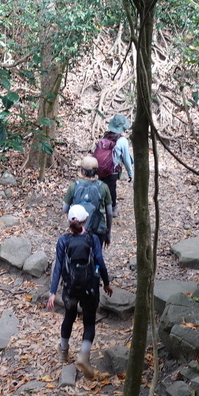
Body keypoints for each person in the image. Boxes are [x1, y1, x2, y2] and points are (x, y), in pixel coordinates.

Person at [47, 205, 112, 378]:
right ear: (85, 221)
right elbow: (100, 262)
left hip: (70, 288)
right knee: (89, 321)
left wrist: (53, 292)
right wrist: (106, 283)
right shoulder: (92, 239)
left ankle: (63, 352)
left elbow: (59, 266)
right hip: (90, 287)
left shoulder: (63, 240)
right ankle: (83, 354)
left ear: (69, 221)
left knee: (69, 316)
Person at [62, 155, 114, 249]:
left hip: (78, 229)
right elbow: (109, 213)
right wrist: (108, 233)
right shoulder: (104, 187)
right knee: (96, 256)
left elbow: (65, 209)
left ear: (83, 171)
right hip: (98, 229)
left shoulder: (74, 186)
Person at [93, 114, 134, 210]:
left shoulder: (105, 136)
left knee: (102, 186)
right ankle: (112, 208)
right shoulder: (122, 140)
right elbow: (126, 159)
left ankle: (101, 206)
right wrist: (130, 173)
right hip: (112, 170)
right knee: (111, 189)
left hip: (100, 168)